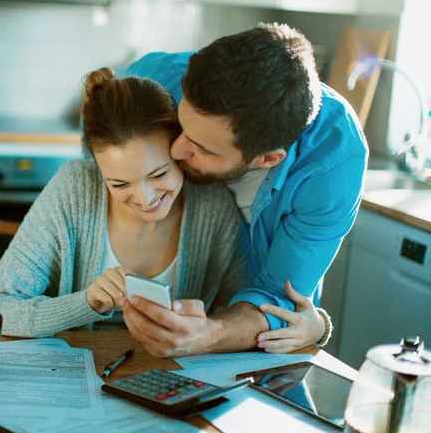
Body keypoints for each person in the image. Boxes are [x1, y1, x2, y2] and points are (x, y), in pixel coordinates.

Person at [119, 23, 367, 356]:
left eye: (202, 148)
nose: (176, 151)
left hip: (247, 346)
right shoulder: (152, 82)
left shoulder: (335, 160)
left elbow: (279, 299)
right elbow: (101, 153)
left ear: (267, 158)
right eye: (182, 124)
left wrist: (211, 334)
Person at [0, 67, 249, 338]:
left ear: (179, 148)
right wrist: (87, 303)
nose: (145, 198)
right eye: (119, 184)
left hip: (172, 375)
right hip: (75, 372)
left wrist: (209, 329)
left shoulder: (213, 204)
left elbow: (245, 310)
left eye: (159, 174)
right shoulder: (75, 188)